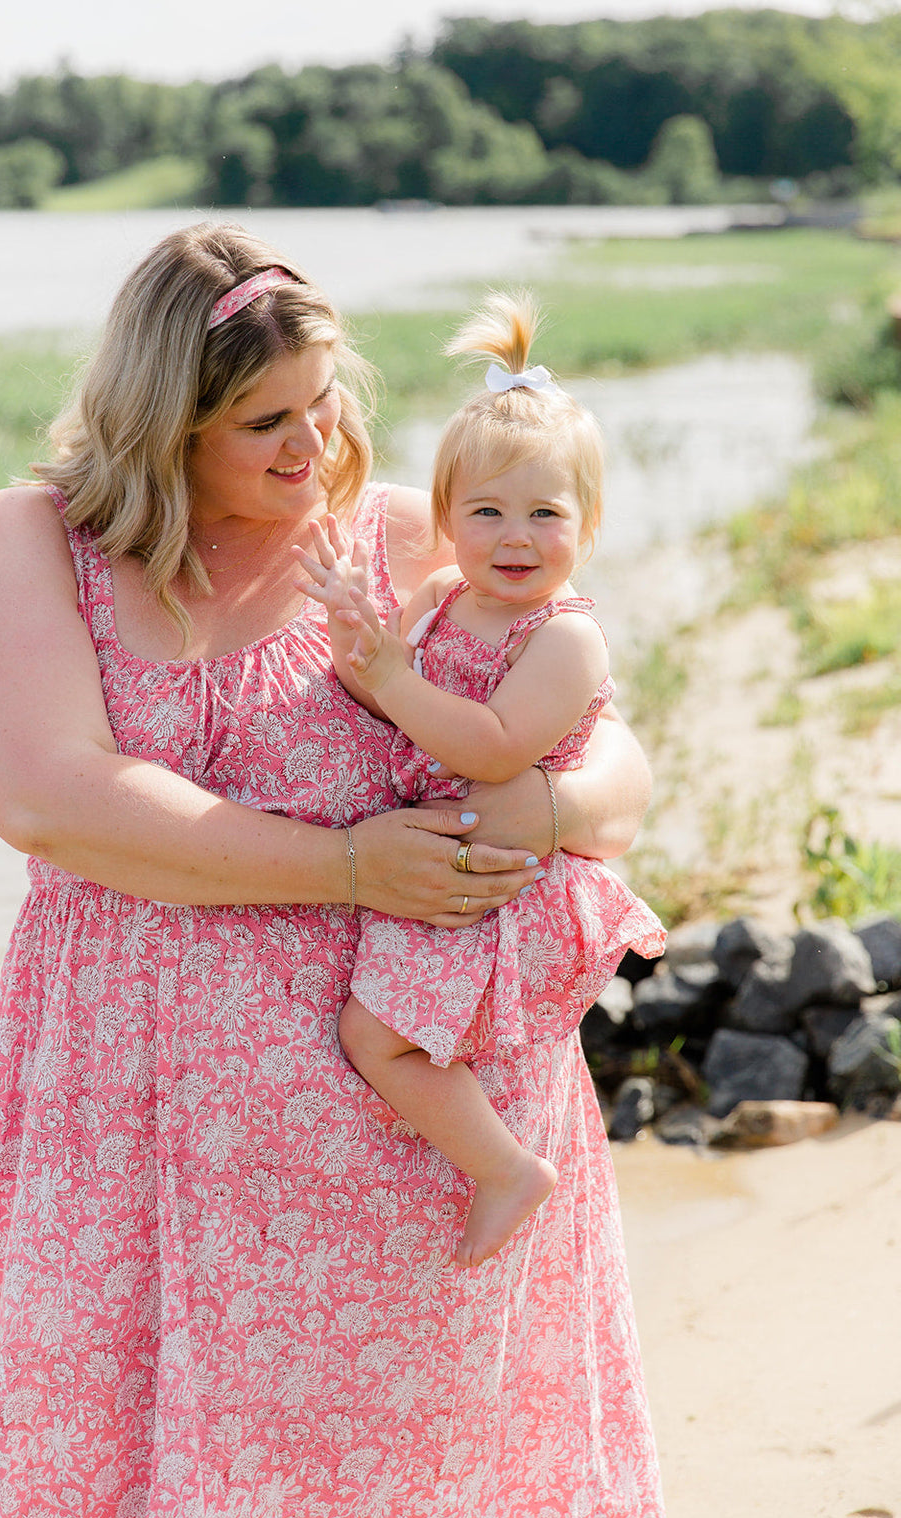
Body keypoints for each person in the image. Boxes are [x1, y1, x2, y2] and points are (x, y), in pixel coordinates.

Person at [0, 221, 667, 1518]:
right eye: (264, 420)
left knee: (418, 1484)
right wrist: (344, 863)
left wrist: (550, 803)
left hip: (417, 1140)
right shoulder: (33, 546)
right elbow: (48, 798)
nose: (311, 446)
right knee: (125, 1465)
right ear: (165, 425)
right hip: (139, 1138)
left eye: (323, 404)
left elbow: (599, 736)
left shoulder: (400, 544)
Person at [295, 293, 665, 1270]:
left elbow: (494, 748)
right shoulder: (441, 595)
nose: (514, 536)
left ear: (585, 526)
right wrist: (354, 636)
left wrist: (389, 676)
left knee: (378, 1039)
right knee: (384, 1033)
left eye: (545, 513)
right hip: (448, 866)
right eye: (486, 511)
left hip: (501, 882)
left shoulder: (565, 637)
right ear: (447, 518)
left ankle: (507, 1168)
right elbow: (380, 698)